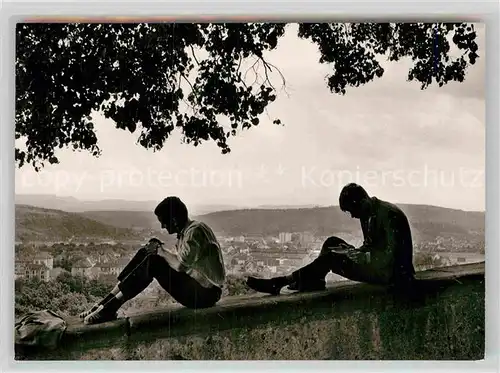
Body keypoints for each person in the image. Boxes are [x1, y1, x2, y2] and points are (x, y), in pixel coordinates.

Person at [246, 183, 416, 295]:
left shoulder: (389, 215)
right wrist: (357, 252)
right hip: (379, 265)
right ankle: (315, 280)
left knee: (332, 258)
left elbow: (390, 257)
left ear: (362, 201)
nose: (353, 216)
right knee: (331, 243)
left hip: (393, 274)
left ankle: (281, 282)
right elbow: (370, 246)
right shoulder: (369, 212)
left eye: (352, 211)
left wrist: (363, 256)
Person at [80, 196, 226, 325]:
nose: (162, 226)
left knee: (154, 260)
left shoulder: (195, 232)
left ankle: (109, 308)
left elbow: (181, 265)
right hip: (201, 290)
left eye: (164, 222)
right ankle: (103, 304)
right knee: (149, 249)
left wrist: (160, 251)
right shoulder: (190, 231)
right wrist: (156, 247)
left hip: (205, 294)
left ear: (174, 220)